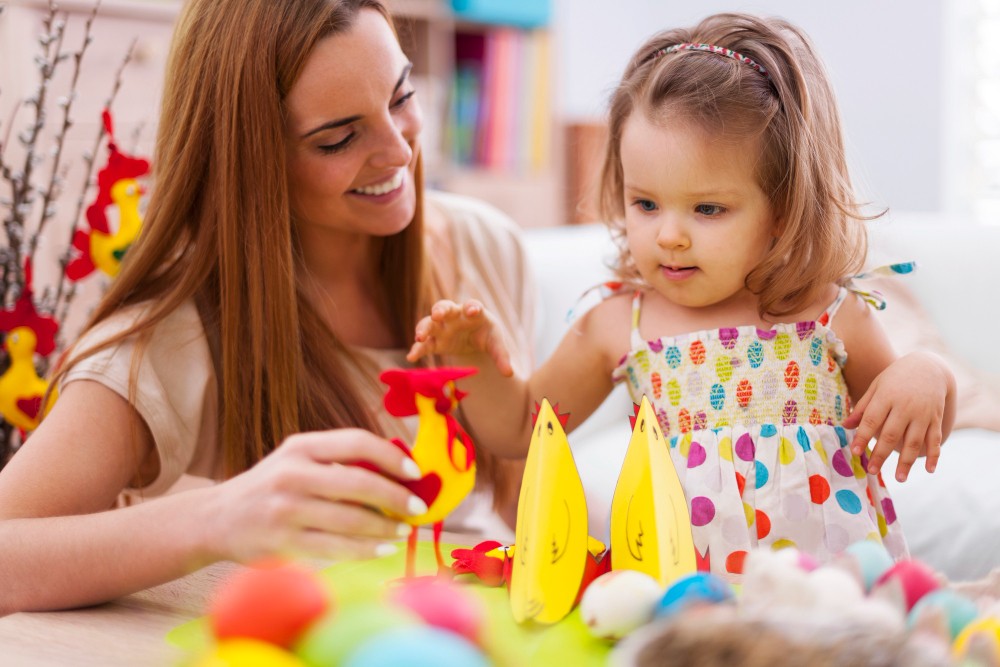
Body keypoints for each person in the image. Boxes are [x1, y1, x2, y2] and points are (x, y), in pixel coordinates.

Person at [0, 0, 534, 614]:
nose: (399, 151)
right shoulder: (168, 342)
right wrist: (217, 518)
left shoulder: (483, 245)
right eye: (339, 137)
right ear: (249, 162)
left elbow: (529, 499)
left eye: (402, 95)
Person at [408, 12, 956, 579]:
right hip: (685, 597)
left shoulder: (829, 317)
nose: (668, 234)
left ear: (784, 208)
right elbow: (521, 426)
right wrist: (474, 357)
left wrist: (927, 374)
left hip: (834, 601)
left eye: (708, 209)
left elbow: (907, 426)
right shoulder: (619, 324)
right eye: (645, 204)